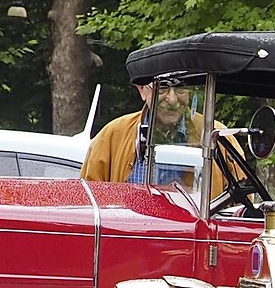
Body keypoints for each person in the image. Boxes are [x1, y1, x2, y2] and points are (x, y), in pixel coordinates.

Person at [81, 79, 232, 198]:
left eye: (180, 88)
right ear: (141, 89)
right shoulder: (111, 136)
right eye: (162, 88)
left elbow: (239, 211)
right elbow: (88, 204)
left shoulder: (219, 138)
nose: (172, 100)